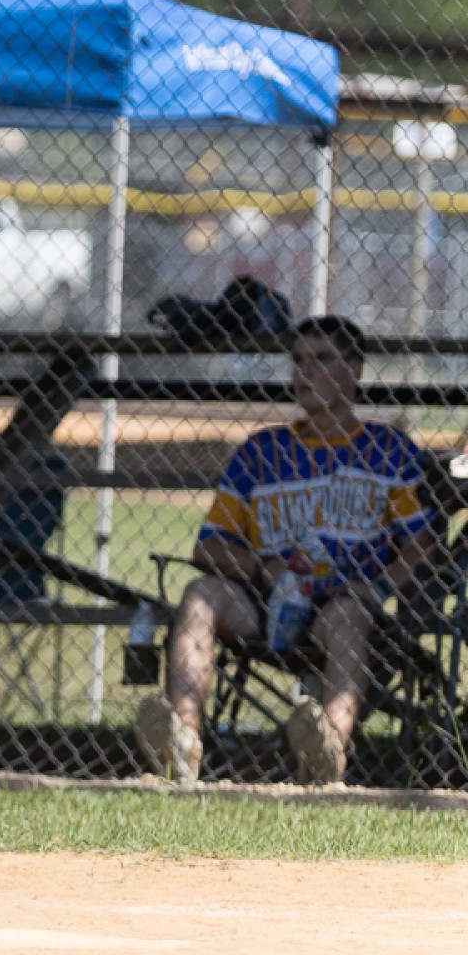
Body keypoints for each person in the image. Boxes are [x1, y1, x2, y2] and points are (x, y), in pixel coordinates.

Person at [135, 315, 436, 786]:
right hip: (265, 602)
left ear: (354, 370)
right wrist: (262, 566)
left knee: (348, 617)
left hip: (341, 602)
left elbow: (422, 545)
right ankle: (182, 743)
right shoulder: (262, 451)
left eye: (322, 359)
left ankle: (327, 753)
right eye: (298, 360)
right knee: (200, 593)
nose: (305, 372)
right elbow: (208, 547)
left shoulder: (387, 450)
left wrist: (378, 588)